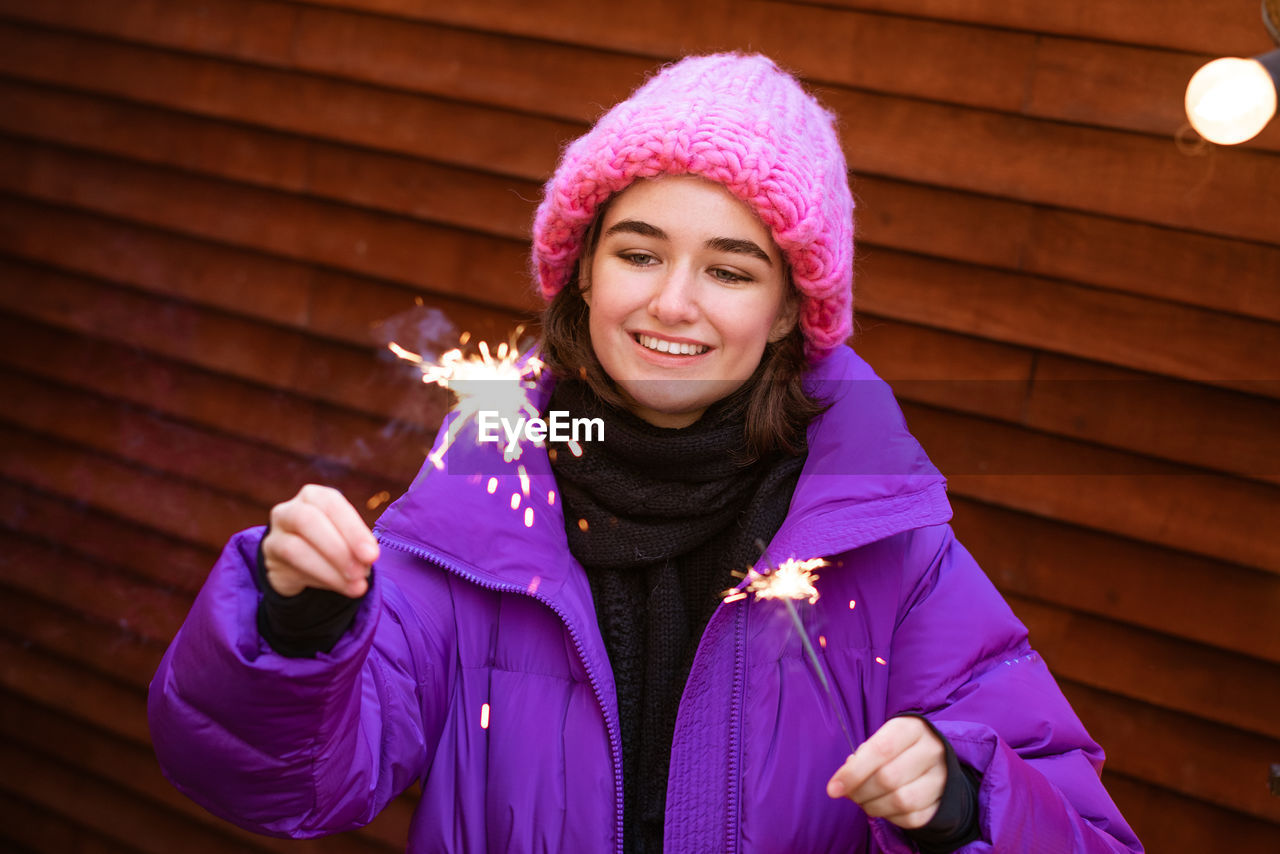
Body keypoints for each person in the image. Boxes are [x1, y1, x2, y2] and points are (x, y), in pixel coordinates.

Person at [148, 53, 1142, 853]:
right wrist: (294, 623)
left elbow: (1088, 831)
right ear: (580, 267)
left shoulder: (891, 553)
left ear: (792, 307)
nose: (672, 301)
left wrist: (964, 800)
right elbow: (279, 783)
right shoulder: (471, 514)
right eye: (638, 251)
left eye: (729, 267)